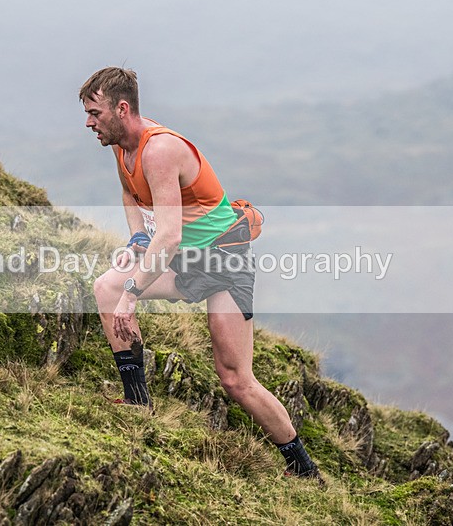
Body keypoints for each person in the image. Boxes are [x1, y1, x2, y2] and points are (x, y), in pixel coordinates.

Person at [79, 66, 320, 480]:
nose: (88, 123)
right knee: (105, 288)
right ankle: (138, 402)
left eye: (95, 113)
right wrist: (137, 240)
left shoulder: (160, 150)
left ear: (122, 108)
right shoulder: (122, 145)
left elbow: (169, 236)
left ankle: (303, 468)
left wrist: (133, 292)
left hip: (225, 262)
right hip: (184, 260)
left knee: (236, 380)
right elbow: (130, 192)